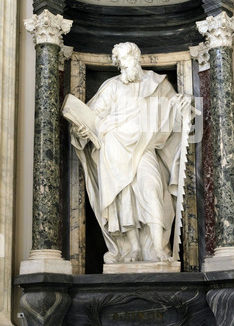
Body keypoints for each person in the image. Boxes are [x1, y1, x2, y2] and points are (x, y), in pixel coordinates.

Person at [69, 42, 190, 264]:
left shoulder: (157, 83)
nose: (124, 64)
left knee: (152, 188)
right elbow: (93, 117)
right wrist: (82, 129)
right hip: (115, 149)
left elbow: (176, 114)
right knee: (125, 200)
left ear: (136, 57)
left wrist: (183, 107)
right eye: (120, 62)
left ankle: (158, 248)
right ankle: (133, 248)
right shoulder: (112, 87)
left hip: (144, 149)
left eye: (127, 59)